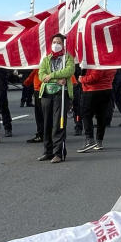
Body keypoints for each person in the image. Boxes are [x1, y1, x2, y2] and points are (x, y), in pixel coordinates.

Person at [36, 33, 76, 163]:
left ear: (63, 44)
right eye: (54, 42)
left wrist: (52, 75)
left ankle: (58, 153)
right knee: (46, 123)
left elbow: (69, 71)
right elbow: (41, 75)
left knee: (58, 123)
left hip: (61, 94)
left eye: (59, 42)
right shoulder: (47, 58)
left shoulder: (67, 57)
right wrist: (56, 78)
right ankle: (47, 151)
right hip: (47, 93)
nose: (56, 44)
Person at [77, 65, 115, 152]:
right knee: (101, 116)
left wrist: (82, 79)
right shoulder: (111, 60)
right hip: (107, 88)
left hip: (92, 90)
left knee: (86, 114)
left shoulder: (98, 58)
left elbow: (94, 76)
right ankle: (99, 141)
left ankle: (90, 140)